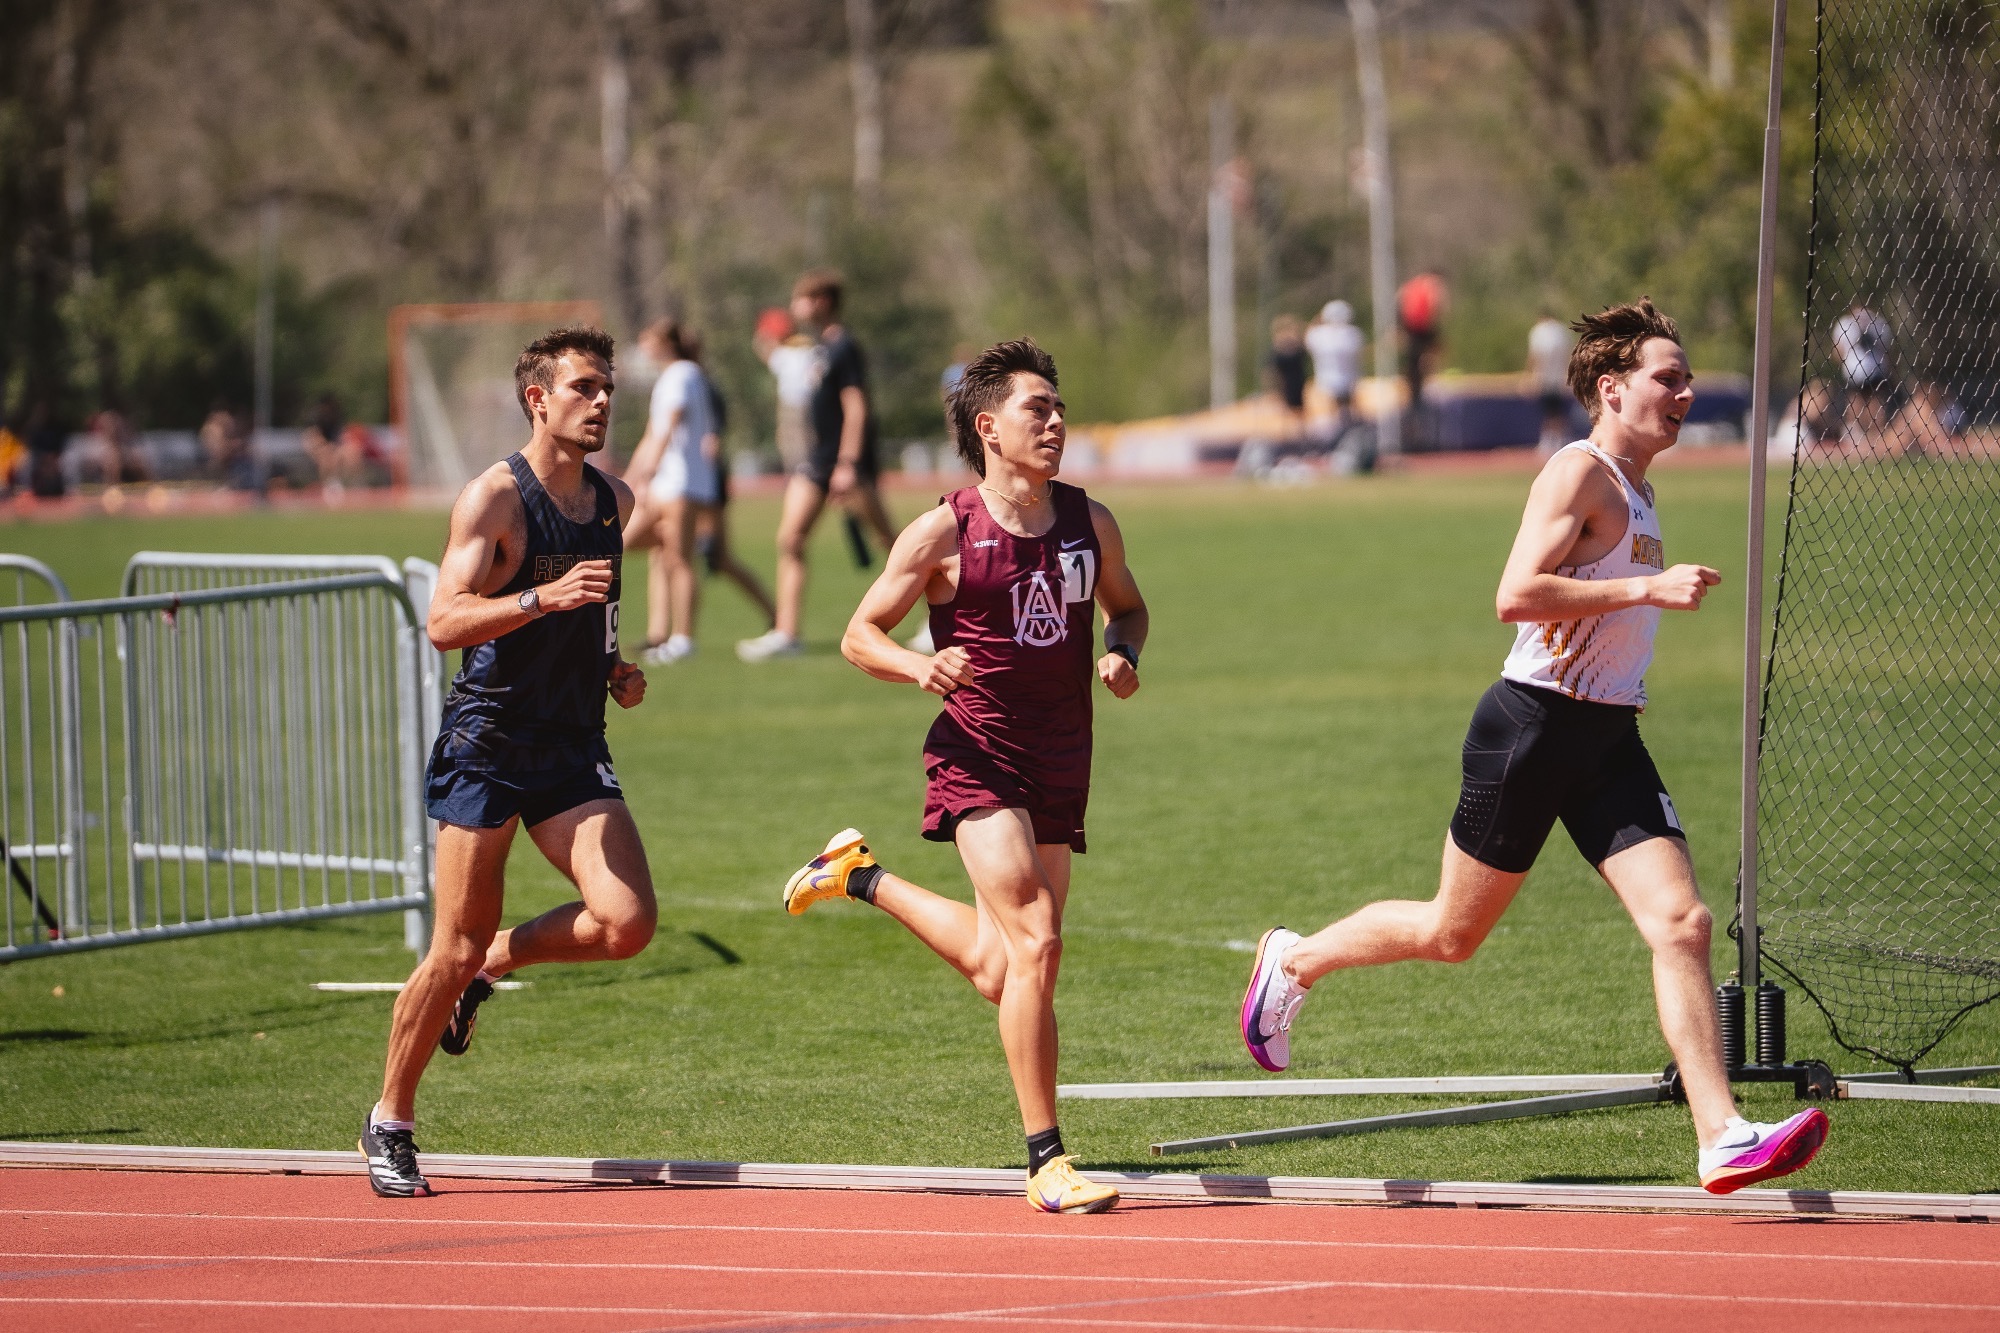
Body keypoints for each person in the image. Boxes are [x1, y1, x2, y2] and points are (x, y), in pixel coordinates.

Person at [1239, 299, 1829, 1196]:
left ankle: (1721, 1135)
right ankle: (1294, 959)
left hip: (1609, 736)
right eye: (1667, 378)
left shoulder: (1639, 488)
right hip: (1532, 728)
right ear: (1612, 388)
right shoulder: (1578, 472)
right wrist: (1647, 589)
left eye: (1687, 380)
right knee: (1451, 933)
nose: (1684, 393)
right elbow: (1515, 593)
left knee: (1683, 922)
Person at [780, 338, 1149, 1214]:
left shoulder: (1090, 521)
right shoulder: (943, 531)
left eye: (1059, 409)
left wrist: (1122, 652)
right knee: (1038, 943)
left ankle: (857, 875)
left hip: (1063, 757)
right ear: (989, 427)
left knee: (999, 965)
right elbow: (859, 633)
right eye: (1037, 409)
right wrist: (921, 666)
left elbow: (1129, 607)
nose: (1055, 423)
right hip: (976, 754)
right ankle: (1046, 1160)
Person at [361, 326, 653, 1199]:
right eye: (584, 388)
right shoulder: (495, 498)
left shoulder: (614, 500)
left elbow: (599, 609)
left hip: (571, 741)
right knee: (446, 947)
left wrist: (614, 666)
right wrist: (537, 597)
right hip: (488, 743)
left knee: (626, 922)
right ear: (538, 399)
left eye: (607, 389)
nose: (601, 402)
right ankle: (390, 1119)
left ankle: (496, 959)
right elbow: (443, 620)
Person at [737, 270, 899, 661]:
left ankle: (939, 619)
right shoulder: (820, 349)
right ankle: (787, 633)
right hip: (817, 462)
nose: (795, 307)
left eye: (802, 299)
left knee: (893, 545)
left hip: (846, 463)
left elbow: (855, 407)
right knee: (790, 540)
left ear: (823, 301)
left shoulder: (845, 347)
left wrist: (848, 462)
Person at [622, 319, 772, 662]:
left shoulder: (683, 375)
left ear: (666, 343)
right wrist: (628, 482)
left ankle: (683, 639)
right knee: (633, 545)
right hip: (667, 483)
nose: (643, 346)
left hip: (682, 483)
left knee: (682, 558)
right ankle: (661, 635)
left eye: (648, 340)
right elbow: (652, 433)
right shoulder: (669, 377)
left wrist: (647, 475)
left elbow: (668, 428)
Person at [1832, 303, 1891, 446]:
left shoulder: (1877, 323)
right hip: (1863, 370)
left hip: (1864, 370)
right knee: (1861, 404)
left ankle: (1867, 437)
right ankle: (1867, 437)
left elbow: (1837, 351)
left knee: (1866, 405)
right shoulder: (1876, 323)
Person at [1305, 300, 1364, 437]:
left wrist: (1318, 320)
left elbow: (1308, 339)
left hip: (1327, 381)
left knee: (1329, 420)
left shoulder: (1318, 334)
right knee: (1348, 415)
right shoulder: (1353, 334)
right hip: (1348, 379)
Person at [1527, 313, 1574, 454]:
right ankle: (1555, 439)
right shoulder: (1561, 330)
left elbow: (1534, 356)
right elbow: (1568, 354)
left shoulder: (1539, 331)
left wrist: (1530, 375)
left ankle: (1551, 440)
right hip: (1558, 377)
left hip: (1545, 378)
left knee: (1551, 411)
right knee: (1555, 411)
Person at [1264, 315, 1309, 432]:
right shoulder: (1277, 349)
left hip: (1297, 380)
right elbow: (1271, 369)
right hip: (1284, 382)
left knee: (1299, 408)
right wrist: (1271, 387)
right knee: (1285, 408)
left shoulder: (1297, 347)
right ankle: (1286, 431)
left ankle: (1300, 431)